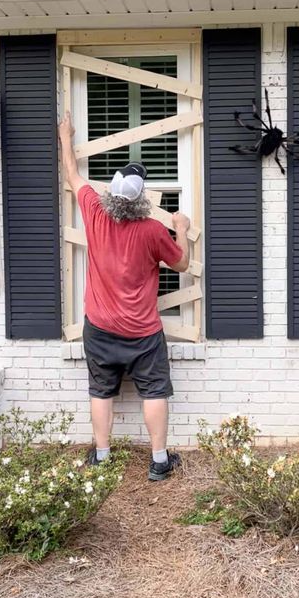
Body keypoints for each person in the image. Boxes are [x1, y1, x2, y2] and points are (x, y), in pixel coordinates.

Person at [59, 111, 190, 481]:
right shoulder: (152, 230)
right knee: (154, 392)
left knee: (101, 391)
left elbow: (72, 175)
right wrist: (180, 227)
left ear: (112, 194)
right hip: (143, 332)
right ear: (141, 199)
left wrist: (65, 136)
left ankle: (102, 456)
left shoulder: (95, 212)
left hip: (99, 328)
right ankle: (159, 462)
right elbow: (181, 265)